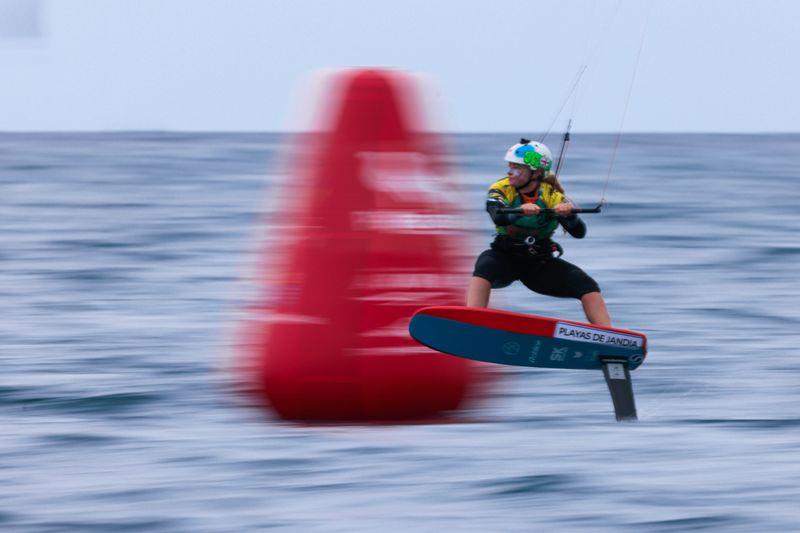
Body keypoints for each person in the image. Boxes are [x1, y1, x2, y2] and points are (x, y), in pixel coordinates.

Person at [466, 138, 612, 326]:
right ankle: (472, 321)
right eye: (509, 166)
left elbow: (579, 232)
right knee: (484, 266)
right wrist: (519, 212)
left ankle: (608, 335)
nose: (510, 171)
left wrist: (568, 216)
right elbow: (497, 216)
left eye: (517, 167)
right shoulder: (501, 188)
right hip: (505, 257)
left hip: (539, 263)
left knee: (588, 286)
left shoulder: (552, 196)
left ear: (535, 173)